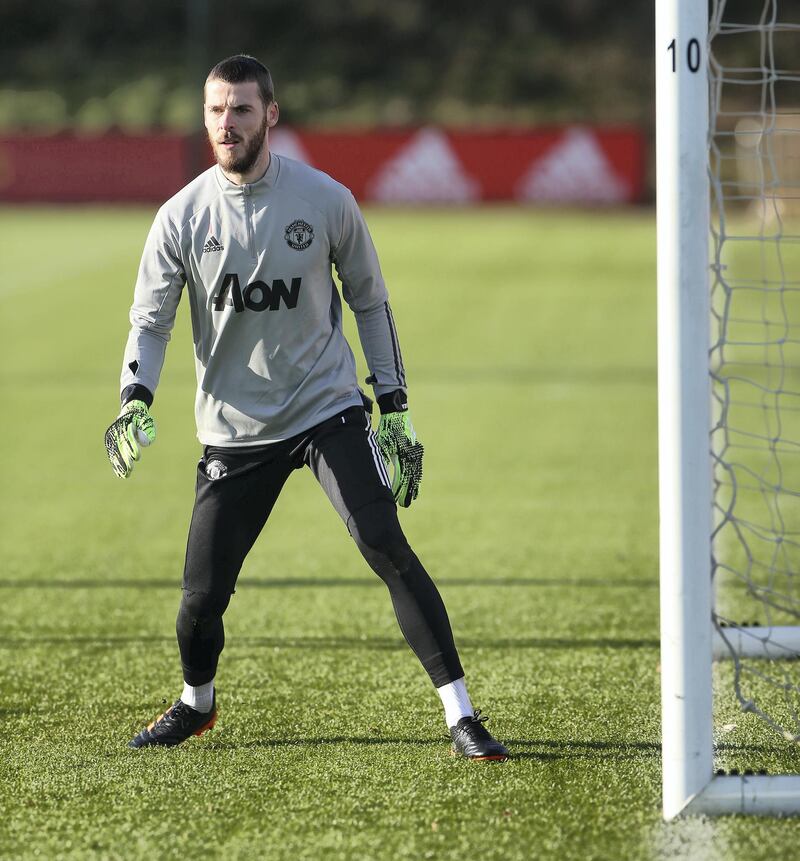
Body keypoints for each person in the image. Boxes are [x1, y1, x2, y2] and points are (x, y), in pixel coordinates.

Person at [104, 54, 508, 761]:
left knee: (384, 542)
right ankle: (198, 703)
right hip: (233, 429)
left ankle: (462, 715)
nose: (226, 125)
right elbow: (150, 319)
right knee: (200, 600)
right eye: (215, 111)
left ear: (272, 115)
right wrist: (134, 395)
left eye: (241, 110)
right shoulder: (180, 217)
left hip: (327, 408)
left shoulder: (325, 200)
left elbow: (371, 302)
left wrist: (395, 408)